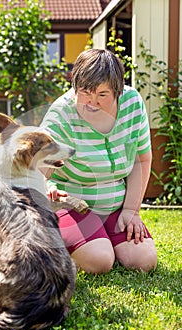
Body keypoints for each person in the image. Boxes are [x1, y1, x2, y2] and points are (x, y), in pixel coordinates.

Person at [40, 48, 157, 274]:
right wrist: (48, 188)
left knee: (144, 260)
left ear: (117, 91)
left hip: (115, 206)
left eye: (102, 94)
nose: (92, 102)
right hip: (73, 206)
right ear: (75, 87)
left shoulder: (132, 104)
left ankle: (101, 235)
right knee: (100, 261)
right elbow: (37, 170)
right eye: (85, 92)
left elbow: (140, 161)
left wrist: (131, 211)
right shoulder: (61, 115)